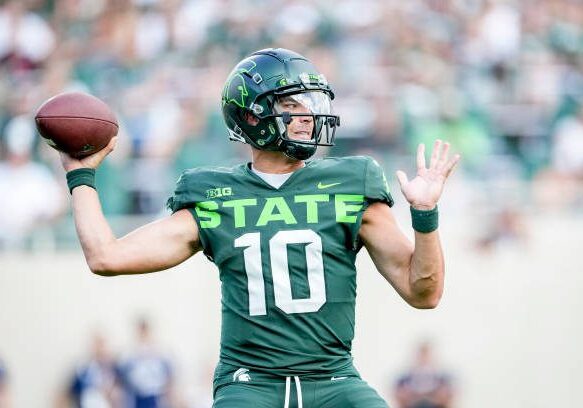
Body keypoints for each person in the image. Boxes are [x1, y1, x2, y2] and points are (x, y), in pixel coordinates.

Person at [59, 48, 460, 408]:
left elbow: (424, 293)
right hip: (249, 386)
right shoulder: (214, 195)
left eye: (308, 102)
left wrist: (425, 215)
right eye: (290, 103)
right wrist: (80, 175)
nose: (306, 115)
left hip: (333, 380)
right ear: (253, 115)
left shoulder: (352, 184)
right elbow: (106, 256)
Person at [114, 318, 177, 408]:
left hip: (155, 394)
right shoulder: (129, 352)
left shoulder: (160, 351)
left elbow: (170, 372)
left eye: (145, 331)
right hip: (137, 394)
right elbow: (121, 372)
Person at [393, 342, 454, 408]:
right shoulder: (404, 380)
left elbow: (448, 396)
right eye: (421, 355)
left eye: (426, 355)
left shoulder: (443, 380)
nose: (424, 358)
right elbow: (399, 395)